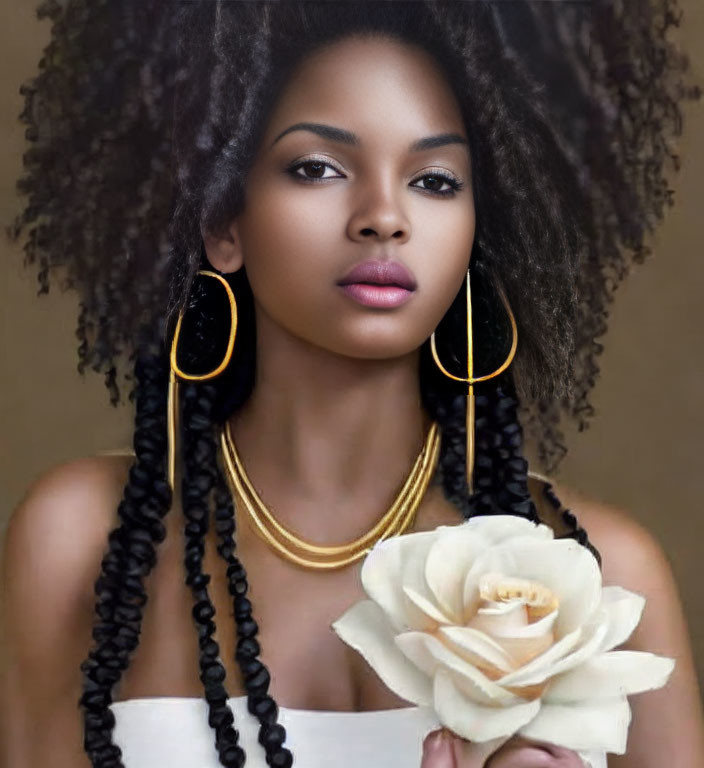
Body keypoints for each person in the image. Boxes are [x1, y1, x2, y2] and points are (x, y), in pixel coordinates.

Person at [1, 1, 703, 767]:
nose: (383, 217)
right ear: (222, 224)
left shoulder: (604, 575)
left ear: (478, 233)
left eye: (435, 181)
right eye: (318, 169)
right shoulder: (78, 542)